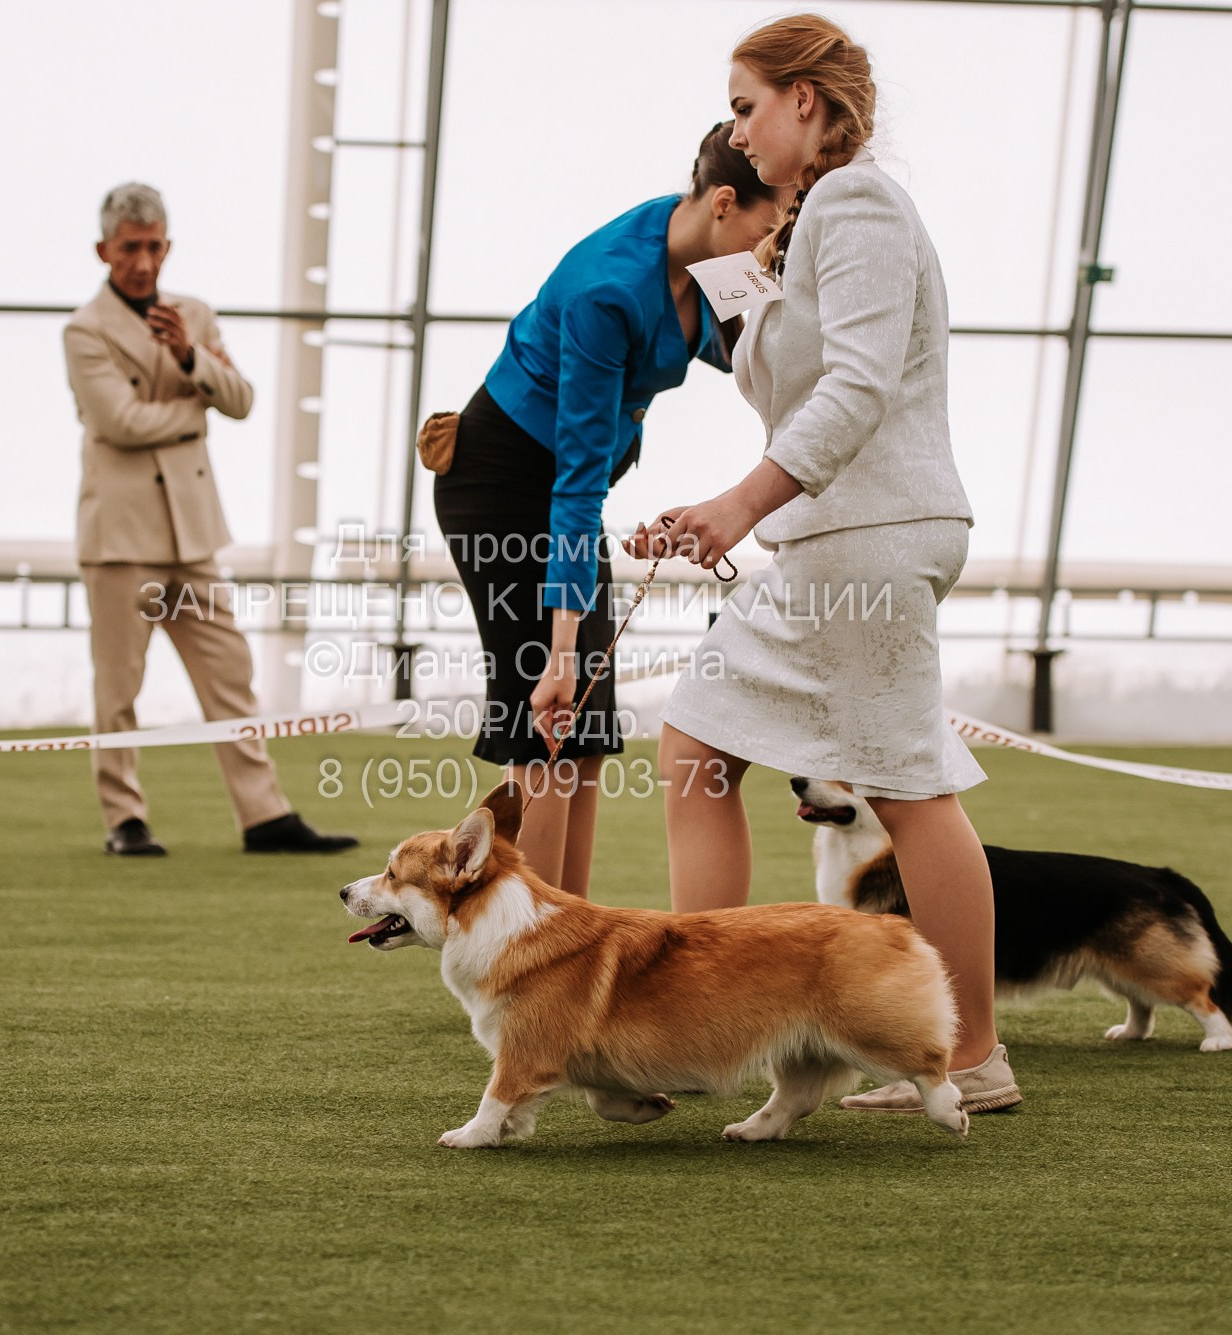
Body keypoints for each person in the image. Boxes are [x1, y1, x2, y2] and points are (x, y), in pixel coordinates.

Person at [626, 15, 1016, 1112]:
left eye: (746, 107)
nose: (737, 132)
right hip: (827, 539)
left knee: (907, 787)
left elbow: (857, 387)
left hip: (869, 536)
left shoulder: (857, 204)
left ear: (805, 100)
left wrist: (738, 505)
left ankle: (970, 1053)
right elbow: (785, 381)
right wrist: (714, 510)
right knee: (701, 745)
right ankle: (712, 1018)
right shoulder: (799, 229)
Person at [431, 124, 786, 899]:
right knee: (548, 728)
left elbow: (755, 348)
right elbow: (576, 481)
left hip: (562, 491)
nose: (774, 246)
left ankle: (570, 933)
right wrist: (560, 652)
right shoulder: (609, 289)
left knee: (585, 730)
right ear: (726, 202)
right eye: (772, 225)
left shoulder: (711, 257)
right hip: (503, 489)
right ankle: (527, 952)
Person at [63, 182, 356, 857]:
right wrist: (197, 404)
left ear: (167, 246)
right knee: (119, 687)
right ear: (104, 250)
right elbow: (120, 422)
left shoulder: (193, 315)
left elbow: (241, 398)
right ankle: (124, 819)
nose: (142, 260)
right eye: (129, 248)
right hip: (120, 540)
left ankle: (264, 816)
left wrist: (192, 358)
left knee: (230, 671)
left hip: (192, 537)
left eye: (153, 246)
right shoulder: (84, 330)